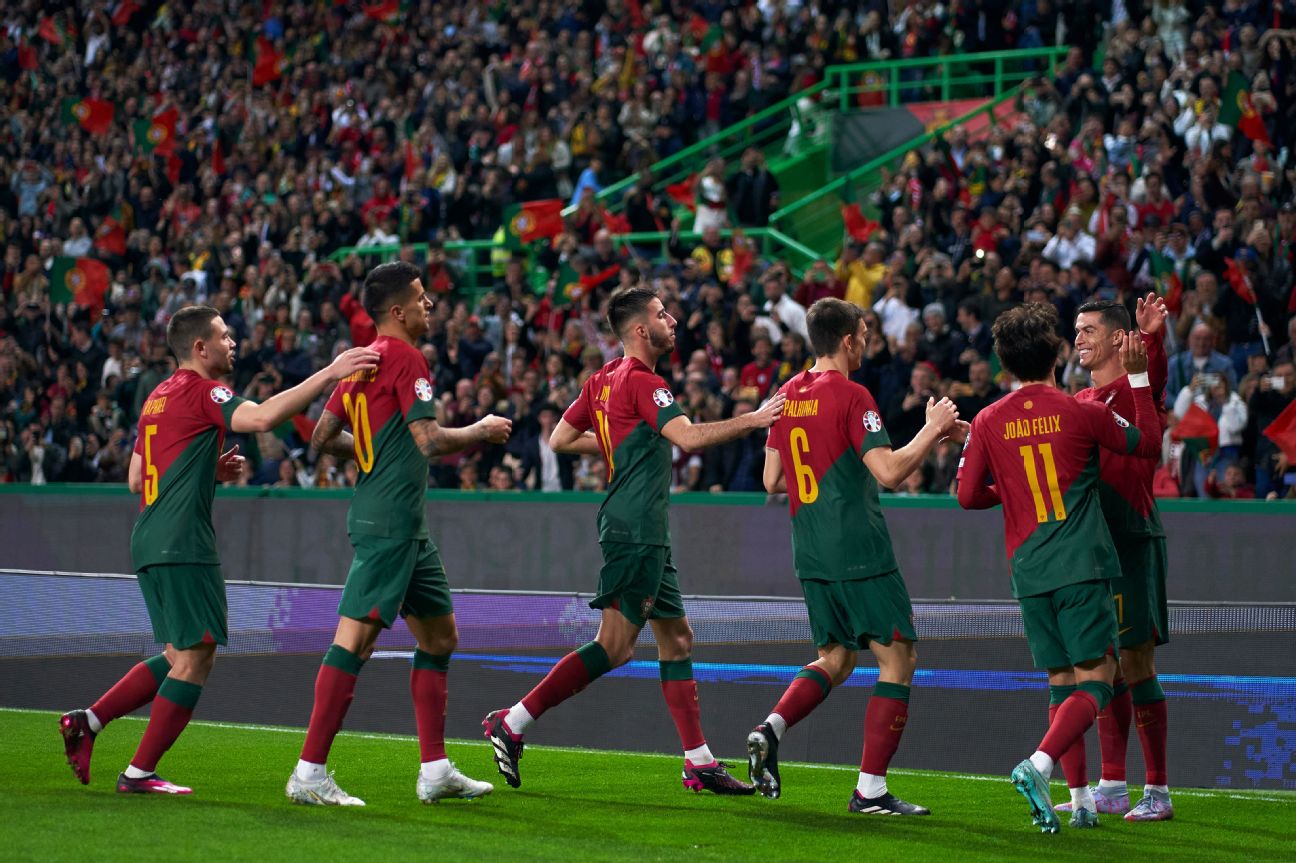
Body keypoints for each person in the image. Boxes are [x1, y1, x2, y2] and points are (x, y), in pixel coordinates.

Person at [59, 307, 380, 794]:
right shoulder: (205, 390)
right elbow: (264, 416)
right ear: (199, 348)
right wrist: (331, 372)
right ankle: (139, 772)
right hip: (182, 540)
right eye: (224, 337)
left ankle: (90, 721)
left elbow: (133, 479)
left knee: (176, 654)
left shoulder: (157, 397)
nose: (233, 343)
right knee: (197, 657)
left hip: (149, 536)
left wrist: (204, 469)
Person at [483, 286, 785, 795]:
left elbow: (559, 439)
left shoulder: (601, 380)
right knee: (615, 646)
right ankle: (511, 722)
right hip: (636, 529)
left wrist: (614, 443)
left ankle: (699, 761)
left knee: (677, 638)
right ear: (642, 330)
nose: (673, 320)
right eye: (663, 314)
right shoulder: (645, 381)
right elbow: (687, 437)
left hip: (645, 531)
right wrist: (754, 420)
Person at [286, 262, 511, 806]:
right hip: (389, 522)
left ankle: (434, 769)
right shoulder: (406, 356)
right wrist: (481, 430)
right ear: (397, 311)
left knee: (439, 638)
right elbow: (430, 441)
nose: (429, 305)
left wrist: (371, 452)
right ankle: (308, 773)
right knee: (355, 641)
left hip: (406, 526)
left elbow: (322, 436)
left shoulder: (365, 360)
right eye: (420, 299)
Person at [746, 298, 962, 815]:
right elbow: (889, 472)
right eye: (863, 334)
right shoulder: (851, 394)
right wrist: (932, 429)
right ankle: (870, 790)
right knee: (898, 657)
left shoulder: (786, 393)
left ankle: (770, 729)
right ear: (847, 341)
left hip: (811, 551)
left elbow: (772, 480)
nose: (866, 342)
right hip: (858, 550)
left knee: (837, 658)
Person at [956, 303, 1160, 833]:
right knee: (1098, 678)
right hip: (1082, 562)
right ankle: (1040, 763)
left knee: (1059, 683)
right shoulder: (1080, 410)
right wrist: (1139, 377)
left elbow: (966, 496)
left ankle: (1084, 798)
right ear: (1057, 353)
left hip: (1028, 570)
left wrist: (1013, 486)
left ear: (1003, 363)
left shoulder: (986, 420)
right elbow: (1150, 444)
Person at [1062, 295, 1176, 822]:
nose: (1079, 337)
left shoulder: (1134, 387)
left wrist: (1151, 340)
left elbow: (1150, 388)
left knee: (1135, 662)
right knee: (1104, 668)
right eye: (1077, 330)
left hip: (1131, 536)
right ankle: (1111, 784)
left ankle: (1158, 791)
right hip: (1095, 545)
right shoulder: (1084, 396)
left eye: (1088, 330)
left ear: (1115, 338)